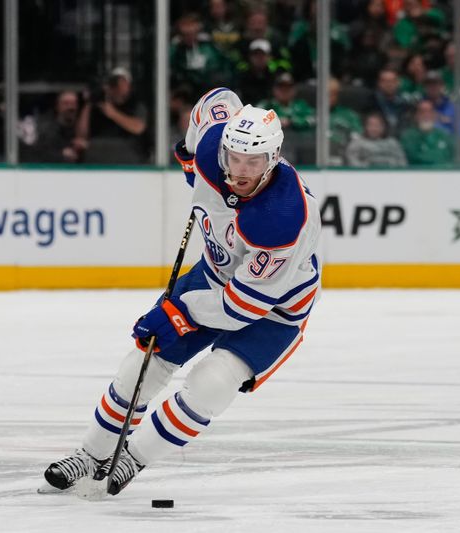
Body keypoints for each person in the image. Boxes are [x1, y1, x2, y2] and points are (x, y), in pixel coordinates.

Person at [42, 87, 322, 496]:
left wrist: (179, 312)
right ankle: (91, 454)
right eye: (234, 159)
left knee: (212, 382)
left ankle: (133, 458)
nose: (241, 171)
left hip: (274, 307)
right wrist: (189, 154)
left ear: (274, 159)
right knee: (142, 364)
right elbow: (216, 100)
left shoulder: (284, 219)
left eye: (254, 162)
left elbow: (238, 309)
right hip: (215, 274)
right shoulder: (213, 148)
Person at [78, 67, 148, 164]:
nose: (119, 86)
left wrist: (112, 113)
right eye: (115, 82)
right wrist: (90, 102)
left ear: (130, 86)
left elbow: (138, 127)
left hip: (127, 161)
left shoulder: (135, 105)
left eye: (123, 82)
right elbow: (81, 135)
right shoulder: (97, 105)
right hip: (98, 160)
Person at [27, 91, 84, 163]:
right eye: (66, 103)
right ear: (57, 106)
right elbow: (39, 154)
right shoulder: (47, 130)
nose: (71, 107)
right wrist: (61, 155)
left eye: (74, 103)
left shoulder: (83, 128)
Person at [400, 99, 455, 165]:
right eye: (422, 112)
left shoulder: (444, 136)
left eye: (430, 111)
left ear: (434, 115)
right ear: (416, 116)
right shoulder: (408, 137)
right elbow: (414, 158)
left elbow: (454, 158)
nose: (426, 115)